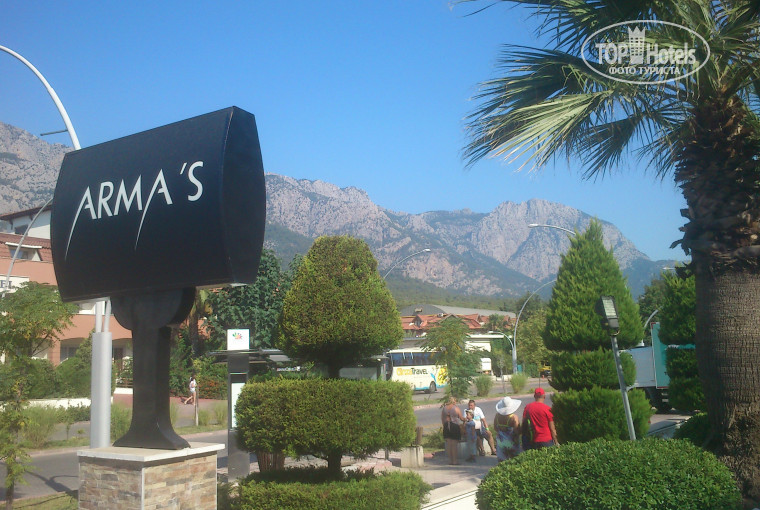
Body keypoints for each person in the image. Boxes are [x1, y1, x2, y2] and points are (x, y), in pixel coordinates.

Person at [493, 396, 522, 461]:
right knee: (514, 459)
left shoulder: (497, 416)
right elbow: (517, 431)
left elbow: (495, 428)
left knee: (502, 460)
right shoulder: (514, 417)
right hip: (511, 441)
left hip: (501, 441)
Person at [441, 396, 464, 465]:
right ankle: (455, 461)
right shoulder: (456, 408)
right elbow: (461, 418)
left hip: (446, 426)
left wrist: (444, 425)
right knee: (454, 445)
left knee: (449, 445)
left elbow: (442, 418)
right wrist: (466, 419)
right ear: (454, 401)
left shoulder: (444, 408)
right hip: (454, 426)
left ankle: (450, 460)